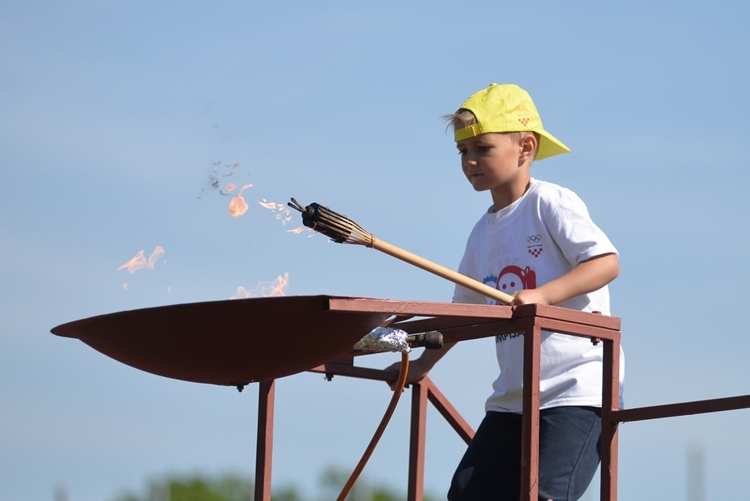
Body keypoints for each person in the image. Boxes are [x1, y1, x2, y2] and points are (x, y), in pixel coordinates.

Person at [386, 83, 623, 500]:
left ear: (525, 147)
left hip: (575, 389)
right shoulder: (482, 233)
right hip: (514, 399)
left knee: (546, 495)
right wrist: (422, 365)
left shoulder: (550, 202)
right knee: (466, 494)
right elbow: (462, 315)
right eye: (463, 152)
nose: (470, 161)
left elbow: (606, 263)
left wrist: (544, 295)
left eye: (482, 148)